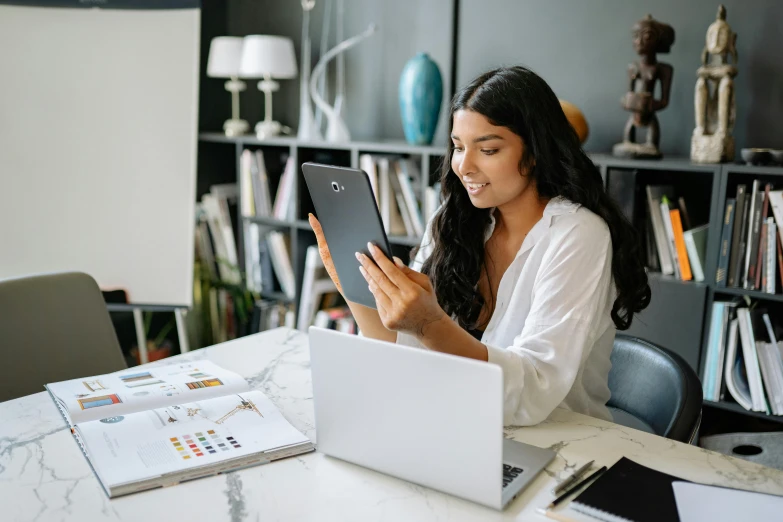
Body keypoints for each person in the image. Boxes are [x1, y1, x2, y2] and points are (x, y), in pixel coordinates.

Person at [309, 66, 651, 426]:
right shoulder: (454, 221)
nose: (464, 166)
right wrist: (352, 281)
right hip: (459, 422)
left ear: (535, 152)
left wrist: (428, 324)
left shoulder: (579, 235)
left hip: (557, 443)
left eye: (487, 149)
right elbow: (401, 351)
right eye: (458, 147)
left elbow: (533, 390)